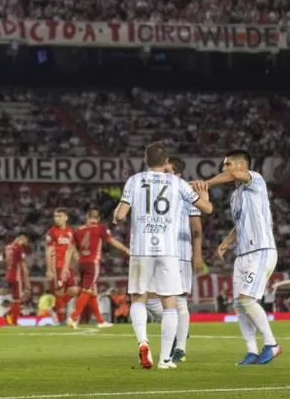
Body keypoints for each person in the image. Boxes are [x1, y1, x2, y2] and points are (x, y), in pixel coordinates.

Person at [115, 141, 213, 370]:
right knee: (171, 304)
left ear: (144, 159)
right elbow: (207, 209)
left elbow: (120, 215)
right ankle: (165, 359)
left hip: (141, 249)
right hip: (169, 251)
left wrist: (117, 216)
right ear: (166, 161)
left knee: (138, 298)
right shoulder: (178, 183)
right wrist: (204, 196)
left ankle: (143, 341)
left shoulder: (135, 180)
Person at [198, 149, 280, 366]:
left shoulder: (256, 181)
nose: (224, 169)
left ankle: (271, 345)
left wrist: (205, 183)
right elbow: (240, 224)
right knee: (239, 304)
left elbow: (232, 176)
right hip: (242, 255)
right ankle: (252, 351)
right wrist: (226, 242)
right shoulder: (235, 196)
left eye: (227, 165)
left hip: (261, 251)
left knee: (247, 299)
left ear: (241, 166)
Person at [165, 156, 202, 364]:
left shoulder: (188, 194)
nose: (164, 175)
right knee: (160, 301)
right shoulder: (157, 194)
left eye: (168, 171)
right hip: (161, 254)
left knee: (179, 301)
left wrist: (197, 254)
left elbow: (197, 229)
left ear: (178, 175)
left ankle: (179, 348)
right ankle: (179, 333)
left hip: (180, 254)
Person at [68, 208, 129, 329]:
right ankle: (73, 318)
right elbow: (112, 241)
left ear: (87, 217)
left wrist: (74, 260)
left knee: (92, 292)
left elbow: (71, 247)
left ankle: (101, 321)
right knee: (87, 290)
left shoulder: (78, 230)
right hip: (92, 263)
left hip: (81, 262)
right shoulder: (100, 228)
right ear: (98, 218)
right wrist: (125, 249)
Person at [45, 208, 79, 324]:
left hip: (68, 267)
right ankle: (60, 321)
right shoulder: (52, 232)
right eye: (55, 216)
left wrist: (78, 258)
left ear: (66, 217)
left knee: (75, 290)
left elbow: (72, 248)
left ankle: (55, 309)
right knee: (59, 292)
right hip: (57, 266)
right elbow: (49, 251)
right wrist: (49, 269)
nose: (56, 218)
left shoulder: (70, 231)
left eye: (59, 216)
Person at [4, 235, 30, 326]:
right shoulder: (19, 249)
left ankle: (8, 315)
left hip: (8, 275)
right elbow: (23, 265)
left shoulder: (7, 247)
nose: (24, 244)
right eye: (25, 242)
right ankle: (14, 321)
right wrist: (27, 281)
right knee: (18, 299)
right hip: (16, 276)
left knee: (15, 298)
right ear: (21, 240)